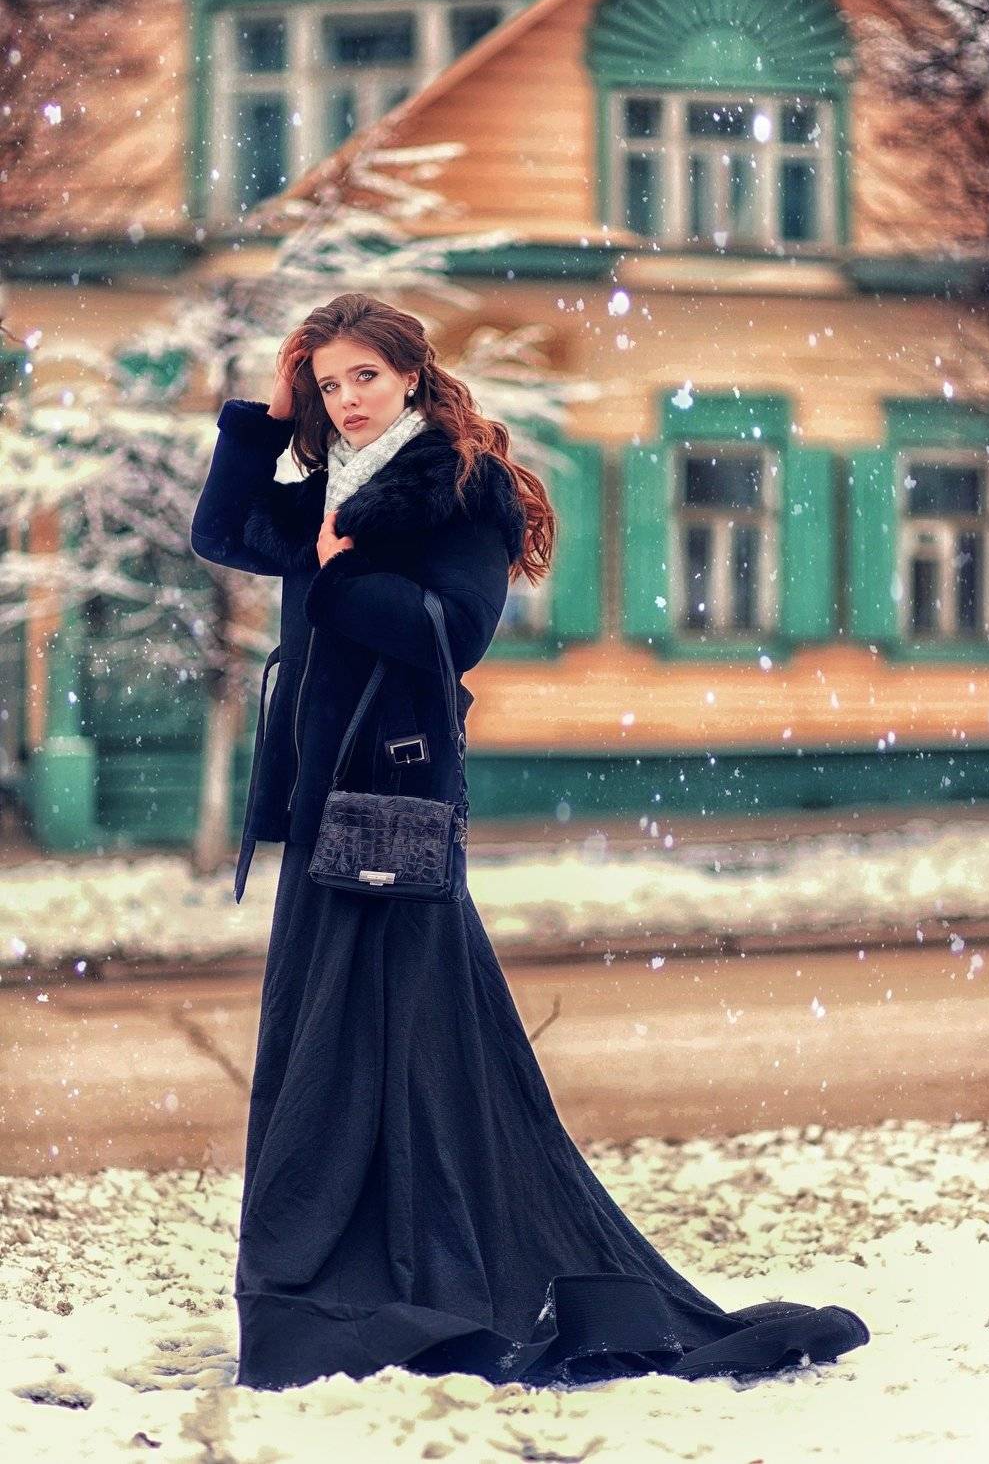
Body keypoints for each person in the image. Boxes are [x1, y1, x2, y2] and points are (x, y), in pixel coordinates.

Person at [190, 291, 870, 1391]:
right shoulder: (328, 484)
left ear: (411, 374)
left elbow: (451, 631)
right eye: (327, 383)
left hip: (396, 796)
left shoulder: (462, 487)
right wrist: (264, 419)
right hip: (325, 797)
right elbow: (221, 534)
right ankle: (349, 1273)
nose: (346, 400)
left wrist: (341, 575)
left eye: (365, 376)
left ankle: (414, 1271)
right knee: (334, 1034)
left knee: (402, 1040)